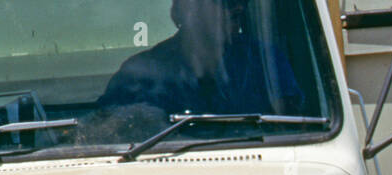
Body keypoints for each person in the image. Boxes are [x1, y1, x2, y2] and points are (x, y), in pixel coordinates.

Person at [98, 0, 304, 116]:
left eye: (242, 1)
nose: (238, 8)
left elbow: (295, 126)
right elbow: (109, 133)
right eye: (226, 2)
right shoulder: (139, 74)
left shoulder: (266, 60)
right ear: (184, 11)